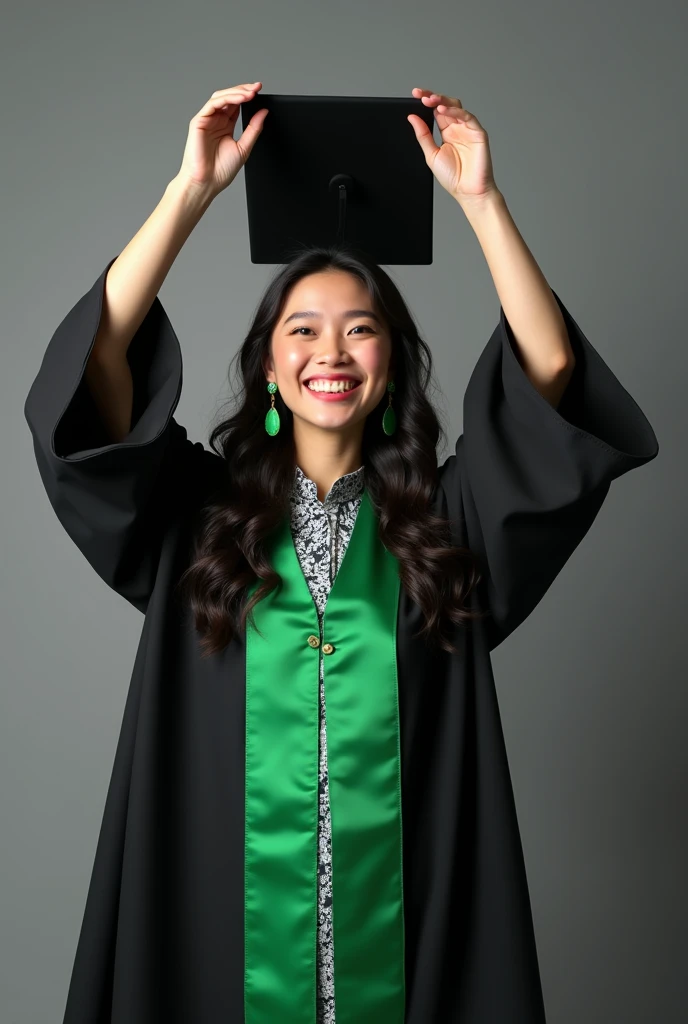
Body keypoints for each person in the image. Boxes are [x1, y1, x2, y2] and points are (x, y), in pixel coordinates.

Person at [24, 83, 659, 1024]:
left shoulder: (445, 526)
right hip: (219, 943)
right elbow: (98, 368)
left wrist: (482, 204)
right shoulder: (198, 519)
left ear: (391, 363)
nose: (334, 351)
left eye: (361, 329)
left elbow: (553, 373)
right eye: (303, 330)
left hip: (408, 952)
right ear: (271, 366)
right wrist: (189, 194)